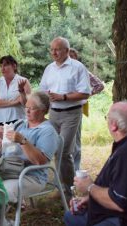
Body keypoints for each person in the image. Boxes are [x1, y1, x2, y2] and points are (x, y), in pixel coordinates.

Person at [64, 100, 127, 226]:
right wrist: (90, 199)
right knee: (70, 216)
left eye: (107, 118)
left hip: (126, 219)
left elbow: (119, 202)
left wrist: (90, 187)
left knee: (74, 218)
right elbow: (123, 188)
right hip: (123, 212)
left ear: (114, 125)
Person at [39, 37, 91, 197]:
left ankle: (68, 191)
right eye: (51, 49)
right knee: (52, 148)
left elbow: (85, 92)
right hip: (53, 113)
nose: (54, 52)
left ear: (67, 51)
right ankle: (61, 186)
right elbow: (43, 90)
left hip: (72, 112)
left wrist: (63, 97)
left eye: (57, 49)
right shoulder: (49, 69)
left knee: (63, 150)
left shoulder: (78, 67)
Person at [0, 91, 59, 203]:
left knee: (2, 190)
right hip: (10, 170)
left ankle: (0, 220)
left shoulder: (48, 131)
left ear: (43, 110)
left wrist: (23, 141)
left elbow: (40, 161)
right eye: (26, 107)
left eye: (32, 108)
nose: (27, 111)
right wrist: (1, 140)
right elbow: (3, 150)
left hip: (31, 176)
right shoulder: (20, 124)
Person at [69, 48, 105, 171]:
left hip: (77, 107)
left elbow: (99, 85)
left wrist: (86, 94)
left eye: (73, 56)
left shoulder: (82, 71)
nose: (71, 59)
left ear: (76, 58)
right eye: (69, 56)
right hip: (61, 110)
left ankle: (76, 170)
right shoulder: (60, 72)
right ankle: (65, 172)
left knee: (76, 141)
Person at [0, 55, 31, 158]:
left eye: (6, 65)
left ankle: (14, 172)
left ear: (14, 66)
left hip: (17, 121)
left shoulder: (23, 81)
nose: (2, 68)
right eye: (1, 66)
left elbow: (26, 103)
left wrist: (21, 92)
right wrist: (13, 102)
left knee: (14, 151)